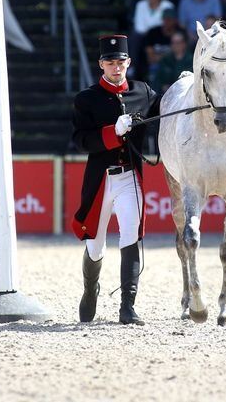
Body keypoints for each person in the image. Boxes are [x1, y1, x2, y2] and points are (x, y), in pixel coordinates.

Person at [71, 34, 158, 325]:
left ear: (129, 62)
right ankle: (90, 289)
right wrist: (112, 132)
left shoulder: (143, 92)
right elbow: (81, 141)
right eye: (110, 62)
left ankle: (127, 306)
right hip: (101, 181)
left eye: (120, 61)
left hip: (129, 177)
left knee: (130, 235)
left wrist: (183, 87)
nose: (116, 67)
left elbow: (164, 113)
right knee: (95, 245)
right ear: (101, 65)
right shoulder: (87, 100)